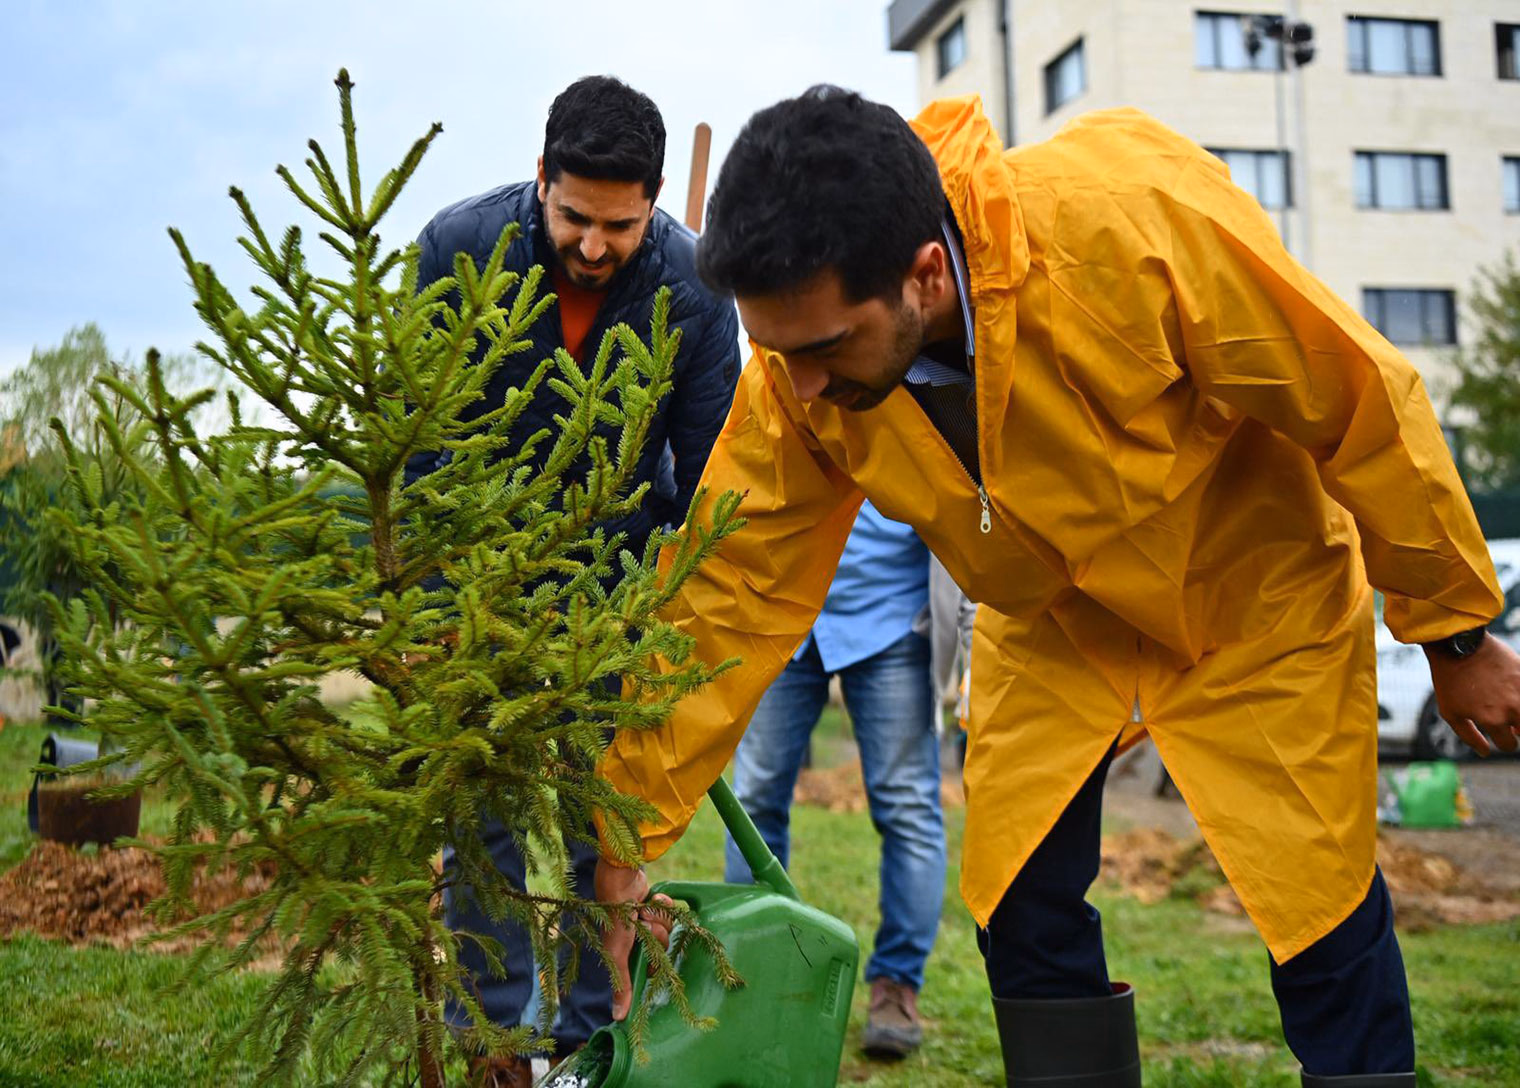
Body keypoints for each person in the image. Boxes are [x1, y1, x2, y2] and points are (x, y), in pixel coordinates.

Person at [592, 87, 1520, 1088]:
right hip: (1051, 619)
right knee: (1018, 897)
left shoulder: (1127, 224)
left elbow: (1359, 400)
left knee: (1316, 903)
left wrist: (1453, 633)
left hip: (1251, 594)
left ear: (924, 274)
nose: (800, 386)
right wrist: (622, 830)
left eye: (822, 348)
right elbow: (732, 589)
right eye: (778, 352)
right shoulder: (794, 384)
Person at [408, 75, 740, 1087]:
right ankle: (496, 1039)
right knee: (488, 822)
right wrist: (437, 601)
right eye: (575, 218)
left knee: (606, 819)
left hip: (617, 592)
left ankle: (591, 1038)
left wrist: (674, 623)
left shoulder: (692, 286)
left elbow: (715, 474)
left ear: (649, 205)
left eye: (621, 225)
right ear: (541, 176)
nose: (595, 246)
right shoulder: (457, 248)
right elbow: (424, 440)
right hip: (484, 591)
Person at [724, 499, 946, 1060]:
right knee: (752, 798)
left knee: (907, 807)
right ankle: (751, 972)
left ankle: (897, 987)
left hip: (891, 615)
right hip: (781, 610)